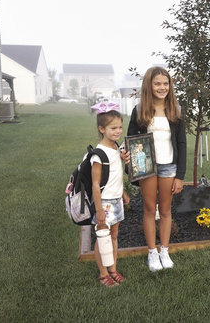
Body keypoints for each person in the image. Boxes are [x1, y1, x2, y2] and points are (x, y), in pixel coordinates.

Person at [128, 66, 186, 272]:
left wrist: (180, 176)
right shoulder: (139, 110)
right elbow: (132, 142)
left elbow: (181, 144)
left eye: (165, 83)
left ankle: (165, 250)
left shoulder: (176, 111)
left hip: (169, 166)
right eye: (157, 83)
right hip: (147, 166)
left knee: (166, 210)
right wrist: (128, 158)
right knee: (150, 210)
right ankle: (152, 252)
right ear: (149, 85)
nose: (162, 87)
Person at [90, 101, 131, 287]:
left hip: (116, 199)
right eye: (113, 128)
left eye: (120, 127)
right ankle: (103, 273)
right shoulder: (99, 154)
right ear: (101, 128)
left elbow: (114, 175)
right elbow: (96, 184)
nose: (118, 131)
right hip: (104, 203)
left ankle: (112, 268)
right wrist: (99, 210)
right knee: (102, 239)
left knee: (114, 236)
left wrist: (122, 192)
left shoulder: (116, 148)